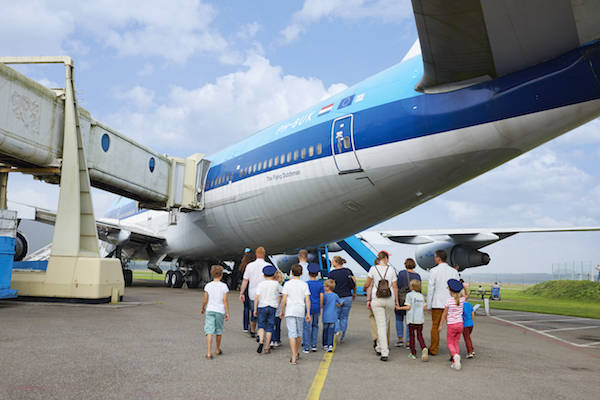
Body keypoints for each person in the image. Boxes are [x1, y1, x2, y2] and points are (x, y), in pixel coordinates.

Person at [364, 251, 400, 361]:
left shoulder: (373, 269)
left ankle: (384, 352)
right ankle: (380, 347)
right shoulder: (391, 270)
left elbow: (367, 284)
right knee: (386, 324)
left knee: (381, 325)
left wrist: (367, 292)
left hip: (377, 299)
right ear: (385, 258)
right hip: (389, 299)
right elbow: (395, 287)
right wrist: (396, 301)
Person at [426, 249, 459, 356]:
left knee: (435, 326)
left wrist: (429, 305)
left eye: (435, 257)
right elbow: (458, 288)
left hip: (437, 303)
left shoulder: (434, 271)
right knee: (452, 327)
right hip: (451, 302)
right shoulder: (453, 271)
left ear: (438, 258)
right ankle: (453, 351)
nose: (434, 259)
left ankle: (433, 349)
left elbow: (431, 288)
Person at [280, 264, 311, 365]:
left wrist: (281, 310)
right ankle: (296, 352)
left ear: (291, 272)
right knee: (299, 333)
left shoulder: (287, 284)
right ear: (302, 273)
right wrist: (308, 313)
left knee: (292, 333)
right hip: (300, 310)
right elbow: (307, 300)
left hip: (290, 310)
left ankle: (293, 355)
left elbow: (284, 299)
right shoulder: (304, 284)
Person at [239, 246, 271, 338]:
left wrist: (241, 293)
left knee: (254, 312)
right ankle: (261, 331)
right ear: (264, 254)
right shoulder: (268, 266)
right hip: (265, 293)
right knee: (263, 313)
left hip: (252, 293)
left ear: (256, 254)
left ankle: (252, 330)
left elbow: (245, 280)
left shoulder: (249, 266)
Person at [201, 265, 230, 359]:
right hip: (220, 311)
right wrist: (227, 312)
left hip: (210, 310)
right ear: (221, 275)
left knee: (209, 331)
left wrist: (203, 307)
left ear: (212, 274)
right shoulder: (224, 286)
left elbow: (205, 299)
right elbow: (225, 300)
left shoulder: (208, 286)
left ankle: (209, 352)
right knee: (218, 331)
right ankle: (217, 349)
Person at [438, 279, 466, 370]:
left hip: (451, 325)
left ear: (450, 291)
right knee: (456, 342)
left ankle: (455, 355)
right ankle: (455, 362)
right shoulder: (462, 299)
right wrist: (463, 286)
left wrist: (441, 325)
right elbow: (467, 294)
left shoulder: (449, 301)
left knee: (450, 343)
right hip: (460, 324)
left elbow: (444, 315)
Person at [328, 255, 356, 343]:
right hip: (348, 297)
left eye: (332, 261)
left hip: (337, 297)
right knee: (344, 318)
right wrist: (354, 293)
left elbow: (330, 287)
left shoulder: (332, 274)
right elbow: (354, 282)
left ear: (336, 262)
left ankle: (337, 331)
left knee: (334, 317)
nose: (331, 263)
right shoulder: (348, 271)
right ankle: (341, 337)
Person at [398, 279, 428, 361]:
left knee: (411, 337)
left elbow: (408, 307)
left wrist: (400, 308)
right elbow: (424, 307)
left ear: (412, 287)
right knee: (419, 335)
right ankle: (424, 347)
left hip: (412, 319)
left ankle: (413, 353)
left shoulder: (409, 295)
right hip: (420, 319)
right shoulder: (421, 296)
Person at [254, 265, 281, 354]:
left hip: (262, 306)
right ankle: (266, 347)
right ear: (273, 275)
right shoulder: (276, 284)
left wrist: (255, 309)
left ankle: (261, 340)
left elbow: (257, 297)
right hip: (272, 307)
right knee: (270, 327)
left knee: (261, 326)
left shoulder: (261, 284)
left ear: (264, 275)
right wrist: (278, 304)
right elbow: (282, 292)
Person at [395, 258, 421, 348]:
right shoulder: (417, 275)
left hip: (402, 298)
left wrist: (396, 300)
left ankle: (400, 339)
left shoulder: (401, 273)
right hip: (412, 300)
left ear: (405, 264)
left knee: (399, 318)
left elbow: (397, 286)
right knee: (409, 321)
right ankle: (409, 341)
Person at [303, 264, 324, 353]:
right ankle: (314, 345)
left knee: (306, 327)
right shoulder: (320, 285)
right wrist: (321, 306)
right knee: (315, 325)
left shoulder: (306, 284)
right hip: (316, 306)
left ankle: (306, 347)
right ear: (317, 274)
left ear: (308, 273)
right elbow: (322, 296)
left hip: (307, 307)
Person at [238, 251, 256, 333]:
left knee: (246, 308)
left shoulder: (242, 266)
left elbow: (242, 278)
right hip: (252, 288)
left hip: (245, 288)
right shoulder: (253, 267)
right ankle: (252, 326)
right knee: (253, 308)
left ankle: (245, 326)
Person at [322, 279, 342, 352]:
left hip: (325, 316)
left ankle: (325, 344)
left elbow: (322, 303)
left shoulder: (324, 295)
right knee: (331, 331)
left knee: (325, 331)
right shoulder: (335, 295)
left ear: (327, 287)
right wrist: (336, 304)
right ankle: (330, 345)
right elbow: (340, 303)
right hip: (333, 316)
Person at [271, 270, 284, 348]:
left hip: (271, 307)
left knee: (271, 325)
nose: (282, 279)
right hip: (278, 309)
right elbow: (280, 296)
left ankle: (272, 339)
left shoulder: (271, 285)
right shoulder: (279, 286)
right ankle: (277, 340)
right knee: (278, 326)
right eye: (281, 277)